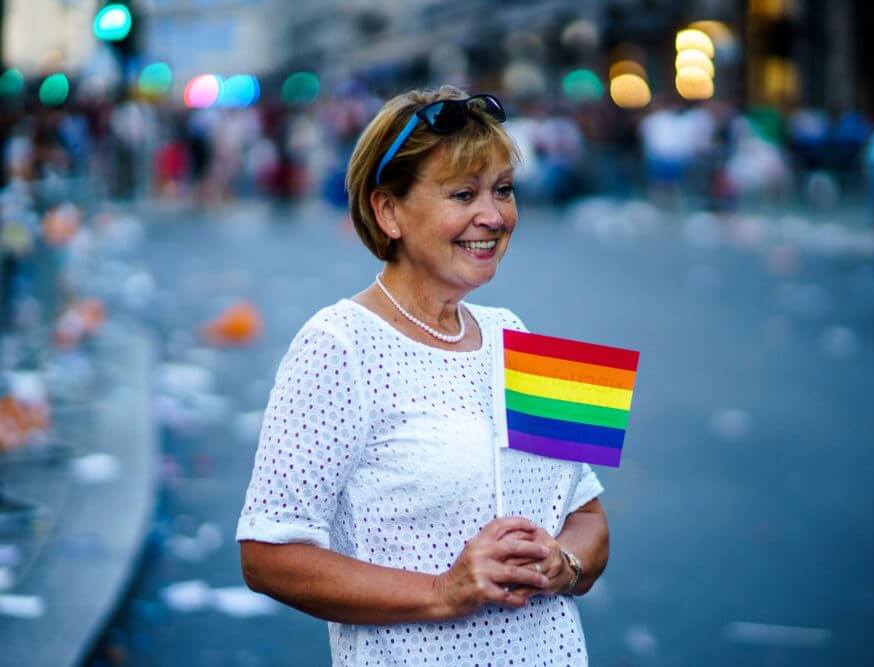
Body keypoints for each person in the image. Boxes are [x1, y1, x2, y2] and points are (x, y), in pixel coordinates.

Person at [236, 86, 609, 665]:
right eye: (463, 194)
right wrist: (442, 591)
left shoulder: (517, 332)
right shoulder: (336, 344)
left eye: (503, 190)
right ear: (389, 211)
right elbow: (266, 555)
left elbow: (589, 516)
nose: (494, 217)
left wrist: (565, 563)